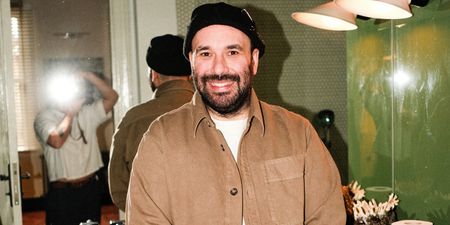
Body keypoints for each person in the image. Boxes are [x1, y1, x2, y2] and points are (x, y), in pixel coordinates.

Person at [126, 2, 345, 225]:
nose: (219, 69)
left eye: (232, 52)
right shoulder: (159, 139)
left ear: (254, 60)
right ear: (192, 61)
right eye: (206, 53)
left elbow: (327, 218)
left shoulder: (300, 134)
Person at [108, 34, 194, 212]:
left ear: (154, 74)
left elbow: (118, 189)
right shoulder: (217, 112)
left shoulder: (133, 119)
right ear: (190, 73)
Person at [34, 71, 118, 225]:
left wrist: (87, 75)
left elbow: (112, 97)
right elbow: (56, 141)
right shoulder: (44, 118)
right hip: (62, 194)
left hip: (90, 190)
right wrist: (71, 112)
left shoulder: (86, 113)